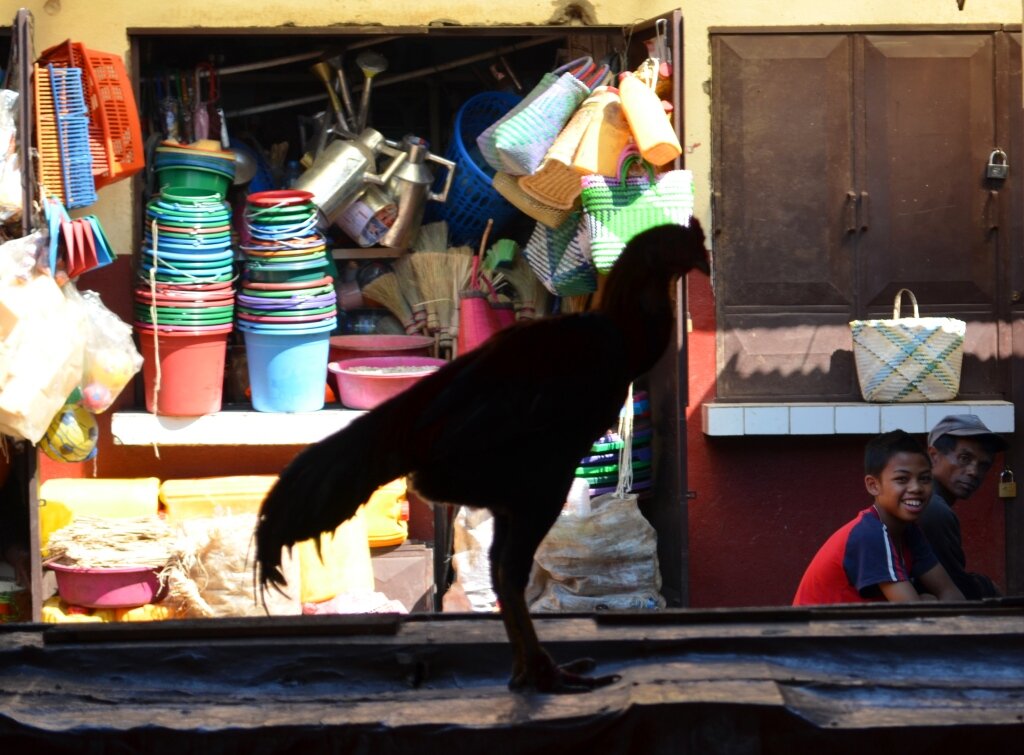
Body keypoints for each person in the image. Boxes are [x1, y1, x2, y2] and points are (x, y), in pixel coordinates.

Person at [793, 429, 964, 605]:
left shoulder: (909, 531)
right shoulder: (870, 535)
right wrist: (927, 601)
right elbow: (914, 614)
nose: (916, 488)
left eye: (925, 479)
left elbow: (951, 594)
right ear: (873, 485)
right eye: (902, 479)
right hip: (820, 631)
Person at [920, 414, 1008, 599]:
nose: (974, 472)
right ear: (933, 456)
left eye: (984, 465)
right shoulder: (933, 509)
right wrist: (986, 587)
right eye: (964, 458)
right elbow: (954, 588)